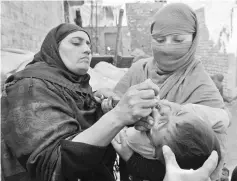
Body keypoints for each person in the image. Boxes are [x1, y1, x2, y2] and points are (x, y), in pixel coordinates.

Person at [1, 23, 160, 181]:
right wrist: (118, 117)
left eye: (88, 44)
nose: (87, 49)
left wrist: (103, 108)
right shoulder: (30, 87)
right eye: (76, 43)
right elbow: (53, 169)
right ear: (54, 49)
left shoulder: (76, 86)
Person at [110, 3, 230, 181]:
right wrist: (118, 108)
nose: (167, 47)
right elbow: (113, 113)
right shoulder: (138, 70)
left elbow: (206, 166)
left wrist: (133, 158)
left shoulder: (201, 85)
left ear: (193, 38)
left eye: (178, 40)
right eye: (160, 40)